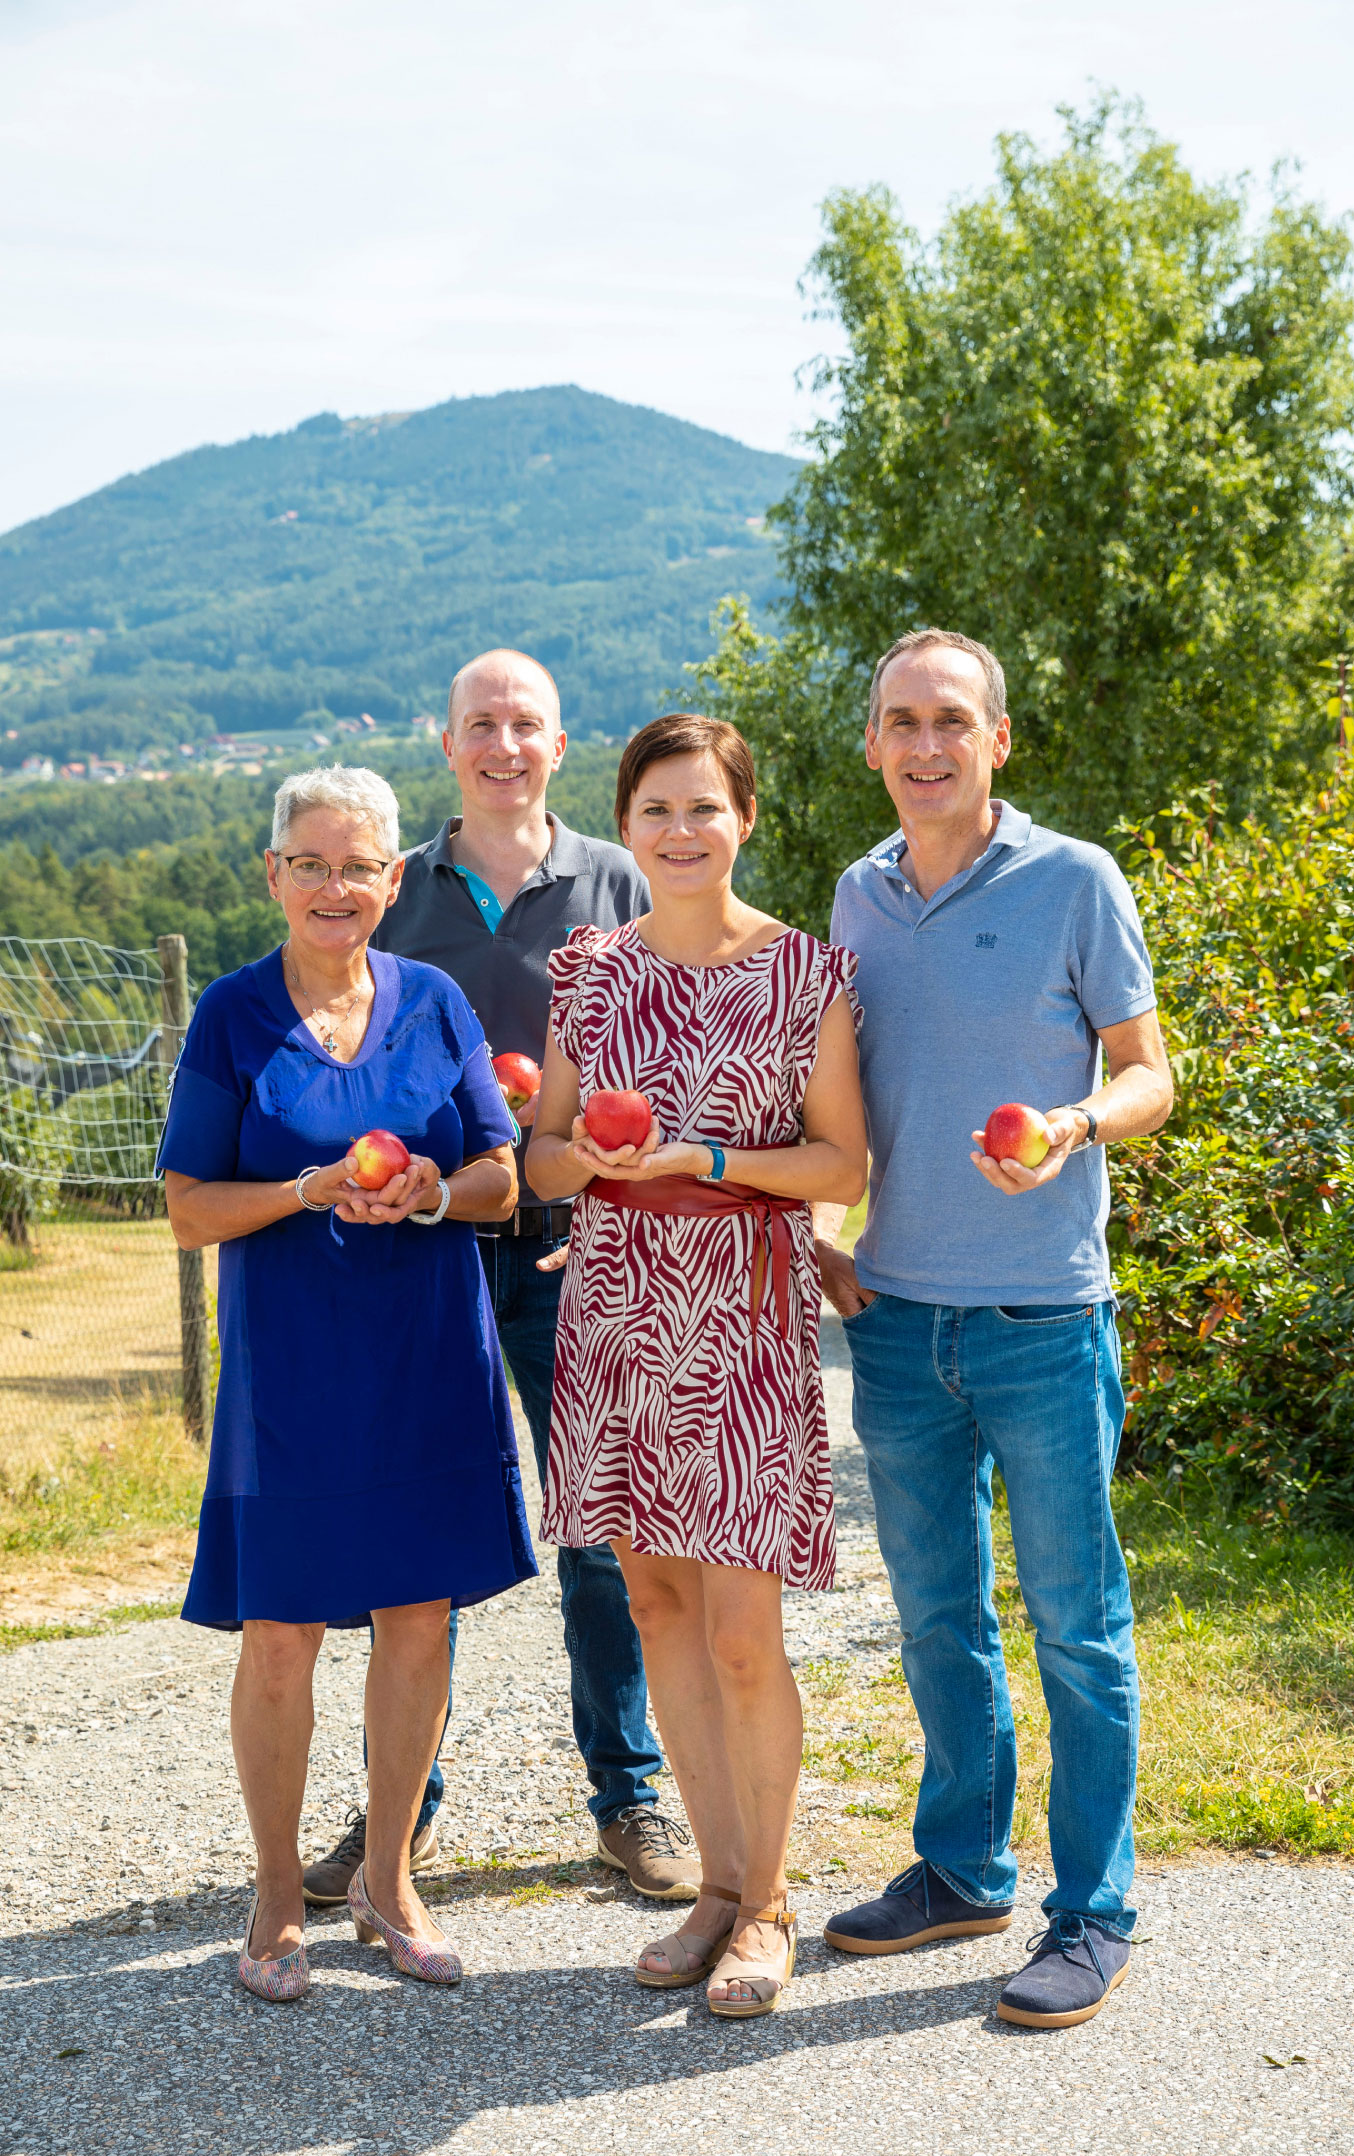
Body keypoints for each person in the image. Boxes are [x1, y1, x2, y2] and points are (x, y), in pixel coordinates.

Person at [817, 628, 1173, 2030]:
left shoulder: (1074, 881)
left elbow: (1150, 1072)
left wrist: (1076, 1122)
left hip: (1042, 1317)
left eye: (950, 720)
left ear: (997, 740)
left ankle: (1090, 1913)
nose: (924, 745)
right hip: (898, 1325)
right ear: (870, 747)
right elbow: (841, 1104)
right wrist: (824, 1236)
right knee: (937, 1621)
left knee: (1077, 1630)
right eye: (900, 721)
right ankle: (963, 1867)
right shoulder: (854, 897)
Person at [304, 648, 698, 1909]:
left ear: (560, 745)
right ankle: (397, 1813)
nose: (504, 744)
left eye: (526, 722)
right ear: (448, 743)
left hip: (578, 1250)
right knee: (417, 1539)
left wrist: (626, 1198)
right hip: (421, 1256)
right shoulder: (391, 890)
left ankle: (627, 1793)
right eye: (483, 723)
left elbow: (677, 1053)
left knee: (600, 1528)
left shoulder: (626, 877)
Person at [160, 765, 534, 2001]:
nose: (335, 886)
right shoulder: (229, 1012)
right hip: (295, 1376)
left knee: (421, 1619)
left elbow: (501, 1176)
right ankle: (276, 1894)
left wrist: (429, 1189)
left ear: (391, 879)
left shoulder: (431, 1000)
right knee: (283, 1633)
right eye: (309, 862)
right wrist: (306, 1190)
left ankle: (388, 1878)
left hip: (427, 1355)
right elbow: (187, 1208)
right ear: (273, 874)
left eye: (358, 865)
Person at [526, 712, 868, 2017]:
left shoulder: (807, 974)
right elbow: (544, 1156)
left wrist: (703, 1159)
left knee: (738, 1634)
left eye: (702, 809)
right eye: (655, 810)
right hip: (615, 1306)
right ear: (625, 826)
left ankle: (770, 1903)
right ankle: (717, 1890)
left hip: (743, 1315)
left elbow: (838, 1164)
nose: (679, 832)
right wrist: (589, 1163)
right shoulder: (588, 973)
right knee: (657, 1609)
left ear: (745, 819)